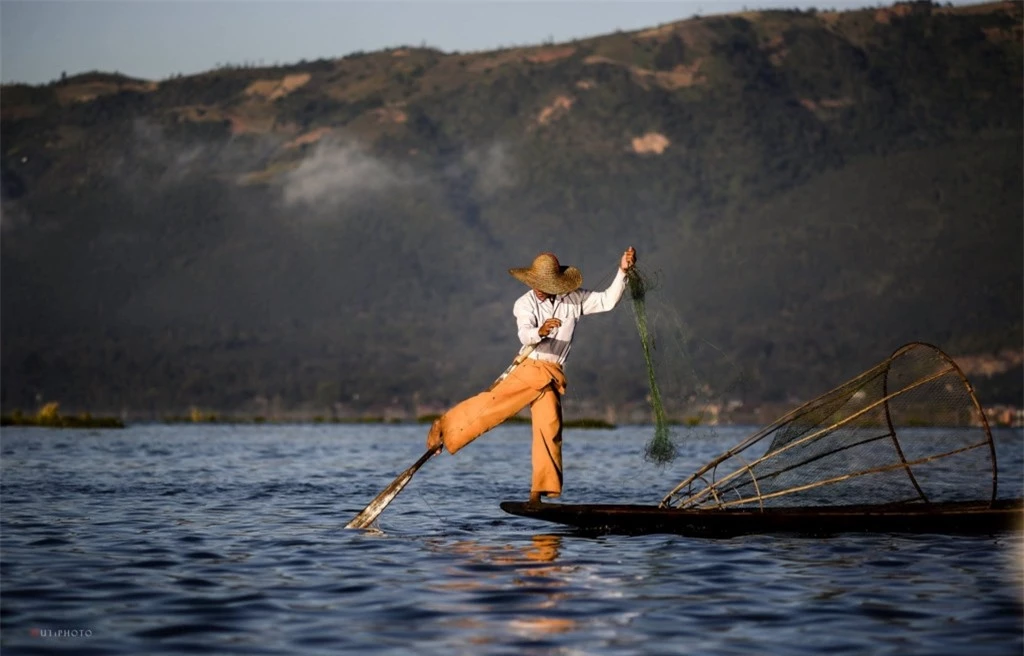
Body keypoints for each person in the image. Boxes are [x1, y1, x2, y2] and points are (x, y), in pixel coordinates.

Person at [426, 247, 637, 504]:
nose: (539, 289)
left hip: (551, 373)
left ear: (556, 284)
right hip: (529, 367)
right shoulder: (524, 304)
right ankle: (443, 427)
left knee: (550, 428)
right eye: (536, 284)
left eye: (545, 284)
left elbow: (607, 301)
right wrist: (542, 331)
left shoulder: (573, 298)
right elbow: (525, 334)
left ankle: (538, 493)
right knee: (491, 406)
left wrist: (623, 271)